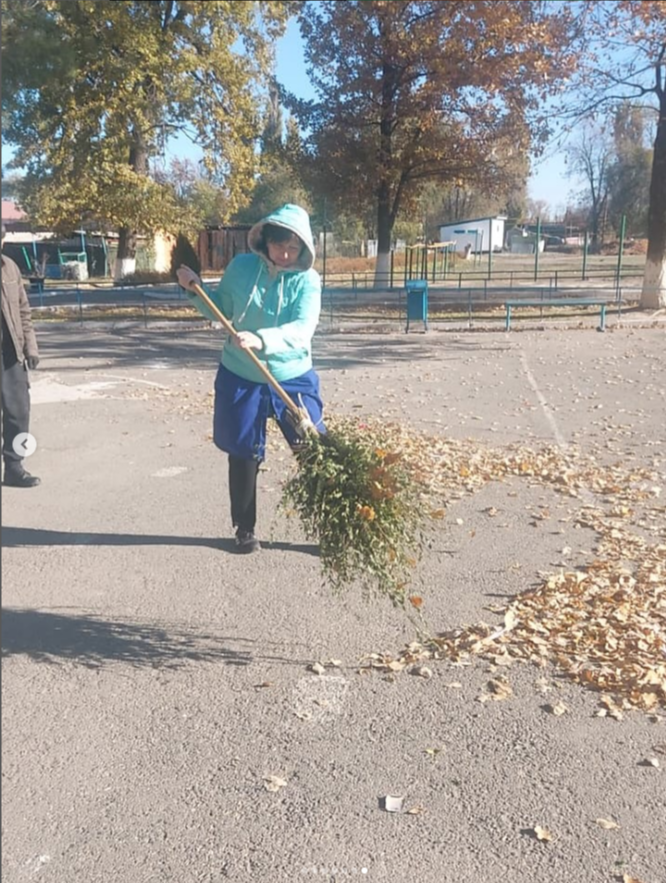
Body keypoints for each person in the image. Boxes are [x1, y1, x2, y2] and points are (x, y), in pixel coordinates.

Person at [177, 204, 324, 553]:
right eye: (278, 246)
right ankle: (244, 529)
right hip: (241, 373)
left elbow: (303, 330)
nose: (285, 255)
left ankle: (333, 526)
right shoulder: (241, 269)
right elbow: (222, 309)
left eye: (292, 248)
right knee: (243, 452)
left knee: (315, 451)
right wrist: (194, 289)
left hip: (292, 375)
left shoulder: (308, 280)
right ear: (265, 242)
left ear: (304, 248)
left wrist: (262, 339)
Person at [1, 223, 40, 487]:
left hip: (10, 355)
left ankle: (15, 468)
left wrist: (31, 347)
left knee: (18, 412)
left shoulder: (10, 268)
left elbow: (24, 311)